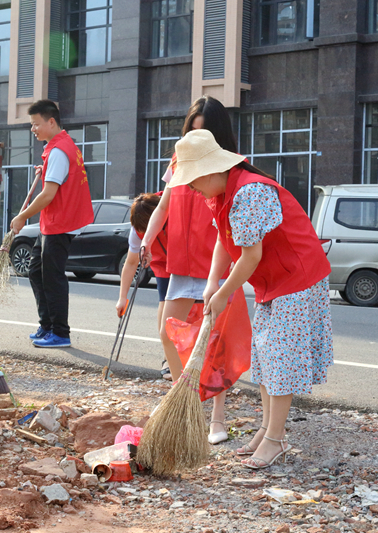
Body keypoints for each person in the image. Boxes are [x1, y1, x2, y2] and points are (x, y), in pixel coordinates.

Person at [169, 129, 334, 469]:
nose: (191, 189)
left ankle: (275, 439)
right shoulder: (220, 195)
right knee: (264, 356)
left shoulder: (250, 191)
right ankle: (266, 430)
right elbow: (223, 241)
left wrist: (225, 292)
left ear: (212, 170)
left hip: (296, 278)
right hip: (271, 282)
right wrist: (212, 282)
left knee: (280, 358)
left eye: (193, 180)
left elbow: (250, 255)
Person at [139, 96, 234, 444]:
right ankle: (185, 402)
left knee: (215, 344)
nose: (196, 139)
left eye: (204, 131)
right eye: (191, 131)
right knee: (169, 333)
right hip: (181, 260)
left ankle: (218, 418)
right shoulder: (179, 159)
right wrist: (147, 240)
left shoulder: (229, 166)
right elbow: (164, 201)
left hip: (217, 262)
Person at [10, 99, 94, 349]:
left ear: (51, 121)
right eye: (31, 125)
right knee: (36, 270)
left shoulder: (58, 150)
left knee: (52, 277)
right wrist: (46, 169)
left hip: (62, 221)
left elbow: (48, 194)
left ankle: (60, 333)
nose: (33, 129)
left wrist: (23, 215)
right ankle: (47, 325)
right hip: (55, 221)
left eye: (36, 124)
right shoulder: (60, 146)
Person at [116, 193, 170, 376]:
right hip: (162, 265)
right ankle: (169, 356)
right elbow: (131, 263)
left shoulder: (174, 209)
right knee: (165, 303)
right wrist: (122, 298)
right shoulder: (137, 229)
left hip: (187, 260)